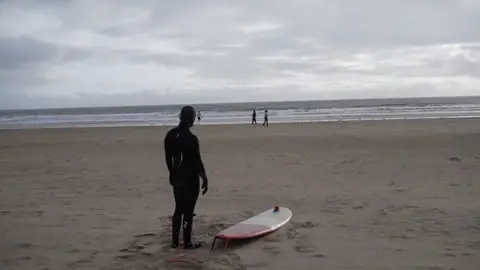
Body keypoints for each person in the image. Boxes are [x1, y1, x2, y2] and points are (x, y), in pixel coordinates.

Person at [164, 105, 209, 249]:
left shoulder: (170, 135)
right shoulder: (191, 138)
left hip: (177, 177)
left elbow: (168, 159)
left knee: (178, 209)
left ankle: (175, 241)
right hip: (190, 178)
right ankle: (187, 242)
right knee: (188, 210)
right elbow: (197, 160)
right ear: (191, 118)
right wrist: (204, 177)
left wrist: (172, 174)